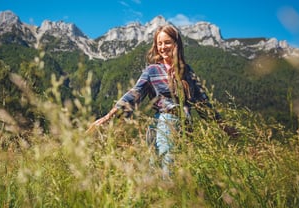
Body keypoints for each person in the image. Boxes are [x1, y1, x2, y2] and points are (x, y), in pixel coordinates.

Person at [88, 24, 235, 178]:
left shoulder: (187, 71)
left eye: (167, 42)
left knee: (177, 176)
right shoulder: (153, 70)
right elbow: (133, 95)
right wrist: (108, 117)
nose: (163, 47)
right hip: (164, 124)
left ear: (176, 43)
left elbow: (203, 104)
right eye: (159, 43)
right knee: (165, 176)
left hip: (185, 129)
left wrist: (224, 127)